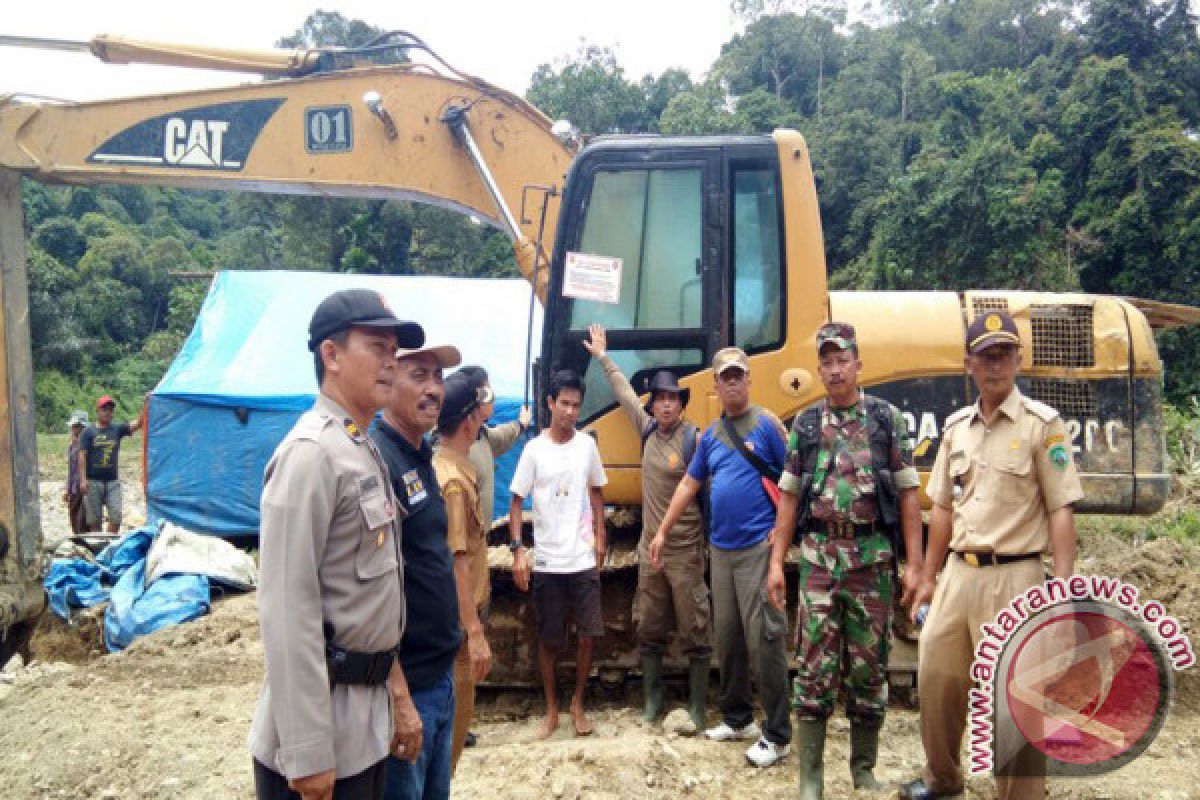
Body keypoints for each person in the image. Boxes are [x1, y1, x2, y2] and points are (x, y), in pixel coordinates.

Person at [249, 288, 424, 800]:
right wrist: (306, 752)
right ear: (331, 354)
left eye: (395, 352)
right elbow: (286, 606)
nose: (391, 363)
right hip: (318, 738)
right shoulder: (311, 455)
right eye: (377, 348)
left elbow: (371, 600)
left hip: (361, 728)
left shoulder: (359, 446)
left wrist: (395, 696)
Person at [900, 310, 1082, 800]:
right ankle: (942, 779)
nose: (995, 365)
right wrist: (928, 576)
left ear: (1018, 360)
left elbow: (1062, 511)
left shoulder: (1045, 427)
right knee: (936, 678)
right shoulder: (956, 428)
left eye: (1004, 354)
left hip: (1017, 577)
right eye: (986, 356)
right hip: (960, 573)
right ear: (969, 364)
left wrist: (1062, 597)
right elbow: (941, 508)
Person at [766, 322, 924, 798]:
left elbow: (910, 494)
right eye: (827, 362)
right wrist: (777, 562)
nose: (835, 370)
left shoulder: (885, 420)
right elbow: (789, 499)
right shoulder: (806, 426)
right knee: (813, 666)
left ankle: (862, 768)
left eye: (843, 361)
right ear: (819, 370)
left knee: (868, 666)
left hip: (872, 563)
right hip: (818, 561)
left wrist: (915, 566)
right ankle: (811, 778)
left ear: (858, 365)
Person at [650, 346, 792, 768]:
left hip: (757, 550)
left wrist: (780, 542)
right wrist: (662, 530)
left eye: (738, 376)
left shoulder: (768, 427)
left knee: (765, 640)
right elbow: (688, 487)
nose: (732, 383)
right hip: (721, 551)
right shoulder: (710, 436)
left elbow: (792, 486)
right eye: (725, 377)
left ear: (749, 381)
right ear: (715, 385)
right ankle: (738, 718)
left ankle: (778, 735)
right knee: (727, 638)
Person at [582, 324, 711, 729]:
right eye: (660, 399)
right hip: (648, 552)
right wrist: (603, 357)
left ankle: (697, 707)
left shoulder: (695, 440)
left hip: (686, 552)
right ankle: (653, 703)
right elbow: (622, 392)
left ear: (682, 405)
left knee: (696, 628)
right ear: (652, 405)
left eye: (673, 399)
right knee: (650, 625)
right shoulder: (649, 431)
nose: (667, 406)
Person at [371, 342, 464, 800]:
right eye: (419, 376)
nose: (433, 390)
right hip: (409, 684)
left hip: (438, 677)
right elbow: (370, 593)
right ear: (388, 382)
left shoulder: (420, 456)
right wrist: (399, 692)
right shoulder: (379, 463)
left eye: (438, 378)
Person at [508, 369, 607, 740]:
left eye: (576, 405)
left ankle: (577, 703)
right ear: (549, 404)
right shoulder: (534, 449)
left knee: (587, 636)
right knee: (550, 639)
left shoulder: (587, 446)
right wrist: (519, 552)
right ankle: (551, 709)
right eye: (563, 403)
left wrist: (600, 536)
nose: (569, 411)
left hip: (581, 559)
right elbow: (516, 502)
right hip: (548, 561)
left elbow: (597, 492)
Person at [431, 372, 491, 771]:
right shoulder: (454, 483)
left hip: (455, 620)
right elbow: (457, 559)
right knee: (450, 743)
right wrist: (474, 632)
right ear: (469, 421)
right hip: (457, 627)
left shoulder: (450, 467)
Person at [457, 365, 532, 529]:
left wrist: (521, 424)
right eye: (489, 391)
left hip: (479, 541)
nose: (493, 398)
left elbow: (501, 436)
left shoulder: (481, 436)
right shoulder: (456, 446)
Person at [79, 394, 143, 534]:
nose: (108, 412)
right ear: (98, 411)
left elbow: (138, 423)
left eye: (110, 409)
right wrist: (83, 480)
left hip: (112, 482)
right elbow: (82, 455)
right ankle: (98, 549)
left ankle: (109, 545)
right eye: (104, 409)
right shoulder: (88, 432)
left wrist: (147, 403)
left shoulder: (117, 429)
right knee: (94, 521)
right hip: (93, 481)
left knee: (116, 517)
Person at [63, 410, 89, 535]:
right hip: (73, 488)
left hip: (84, 487)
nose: (73, 429)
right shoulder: (71, 446)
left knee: (83, 520)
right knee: (73, 518)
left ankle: (85, 544)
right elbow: (71, 470)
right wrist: (67, 489)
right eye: (73, 427)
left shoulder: (88, 444)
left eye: (76, 427)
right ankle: (78, 541)